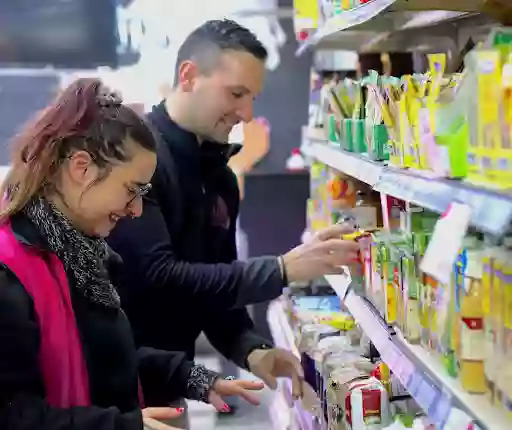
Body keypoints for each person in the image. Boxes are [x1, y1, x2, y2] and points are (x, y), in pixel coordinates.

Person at [107, 18, 359, 426]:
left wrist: (250, 348)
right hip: (117, 391)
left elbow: (211, 288)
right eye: (236, 94)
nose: (246, 113)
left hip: (173, 387)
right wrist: (280, 270)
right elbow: (158, 276)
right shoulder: (141, 163)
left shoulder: (220, 178)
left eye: (252, 98)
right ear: (188, 76)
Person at [0, 78, 267, 430]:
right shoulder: (10, 272)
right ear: (82, 169)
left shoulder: (81, 257)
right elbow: (13, 415)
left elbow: (105, 359)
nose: (137, 210)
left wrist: (189, 377)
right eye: (131, 190)